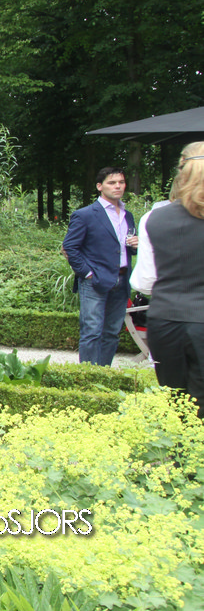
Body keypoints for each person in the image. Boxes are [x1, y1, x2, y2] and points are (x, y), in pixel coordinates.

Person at [134, 143, 204, 418]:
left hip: (165, 322)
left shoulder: (153, 218)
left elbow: (144, 281)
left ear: (181, 171)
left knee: (177, 407)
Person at [62, 167, 138, 366]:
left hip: (122, 279)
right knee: (92, 332)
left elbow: (122, 248)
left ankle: (104, 374)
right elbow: (70, 247)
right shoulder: (85, 215)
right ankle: (88, 377)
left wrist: (135, 245)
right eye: (112, 183)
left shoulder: (128, 216)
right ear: (99, 186)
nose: (117, 186)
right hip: (95, 281)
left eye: (121, 182)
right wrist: (87, 273)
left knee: (112, 332)